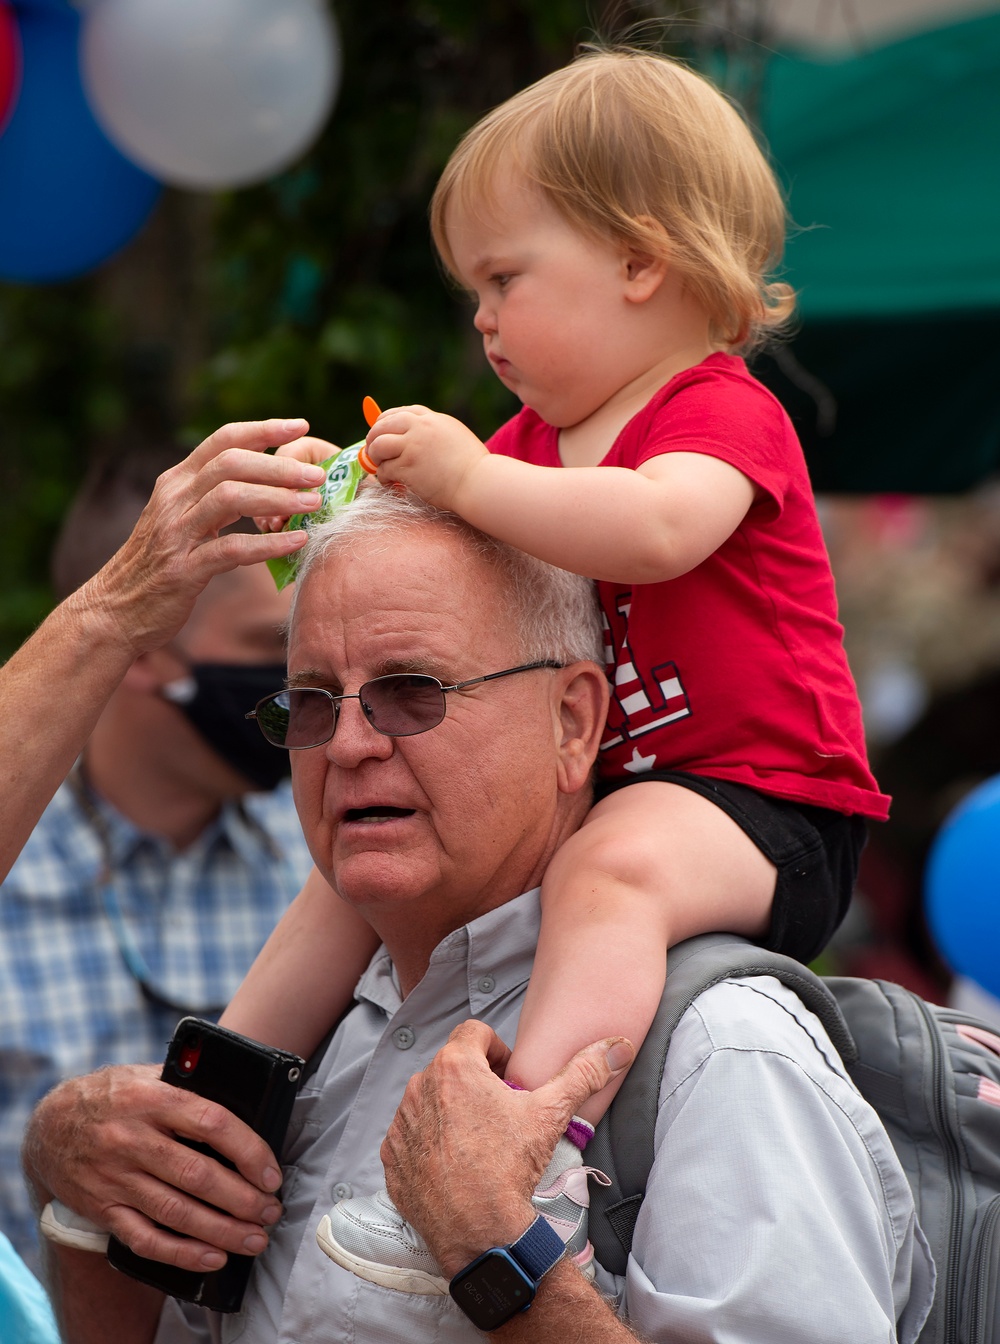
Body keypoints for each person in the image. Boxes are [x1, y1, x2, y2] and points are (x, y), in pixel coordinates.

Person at [213, 45, 891, 1283]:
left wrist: (470, 476)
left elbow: (657, 527)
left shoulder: (715, 410)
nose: (479, 317)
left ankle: (520, 1151)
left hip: (767, 802)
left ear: (641, 261)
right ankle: (214, 1118)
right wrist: (350, 503)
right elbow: (455, 570)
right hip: (630, 783)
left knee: (607, 876)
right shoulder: (531, 443)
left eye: (504, 277)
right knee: (346, 875)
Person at [23, 486, 933, 1344]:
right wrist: (76, 1188)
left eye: (413, 691)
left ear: (573, 723)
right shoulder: (316, 1035)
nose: (345, 744)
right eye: (309, 703)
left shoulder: (719, 1052)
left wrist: (500, 1252)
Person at [0, 431, 328, 1269]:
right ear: (144, 648)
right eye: (267, 651)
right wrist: (111, 608)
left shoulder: (326, 856)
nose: (294, 687)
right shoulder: (19, 859)